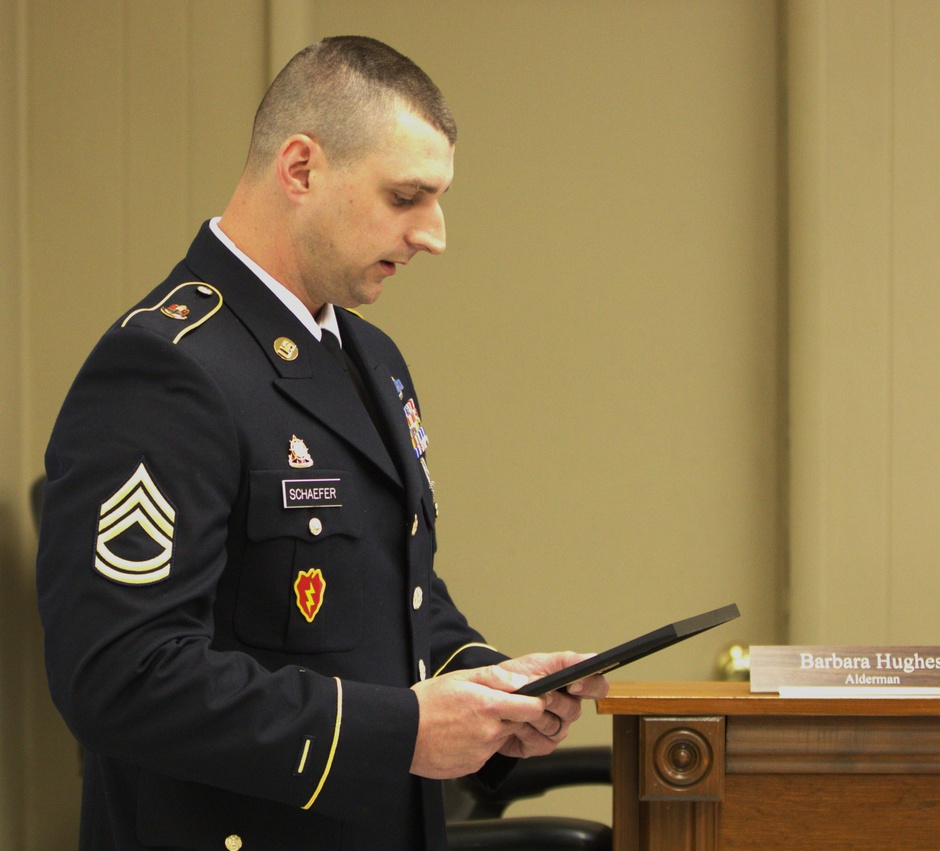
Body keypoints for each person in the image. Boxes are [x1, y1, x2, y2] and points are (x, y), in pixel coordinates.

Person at [36, 36, 608, 851]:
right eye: (406, 196)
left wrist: (489, 690)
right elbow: (120, 675)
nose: (434, 234)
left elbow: (395, 600)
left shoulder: (371, 359)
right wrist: (401, 730)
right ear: (301, 169)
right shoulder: (167, 366)